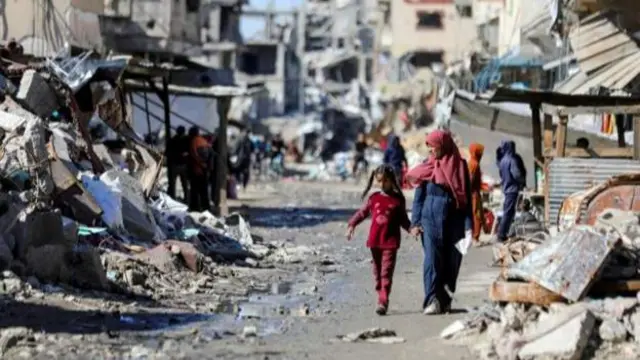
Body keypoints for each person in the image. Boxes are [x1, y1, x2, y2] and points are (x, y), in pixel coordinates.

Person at [406, 130, 472, 315]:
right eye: (428, 146)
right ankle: (432, 300)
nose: (430, 150)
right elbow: (419, 198)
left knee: (452, 263)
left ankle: (445, 300)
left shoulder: (460, 166)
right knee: (432, 262)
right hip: (430, 220)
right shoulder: (427, 167)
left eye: (433, 146)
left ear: (443, 146)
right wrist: (415, 223)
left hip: (455, 222)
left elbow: (466, 200)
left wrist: (469, 227)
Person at [346, 164, 410, 316]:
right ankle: (380, 292)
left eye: (384, 181)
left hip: (390, 242)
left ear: (391, 180)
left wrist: (411, 229)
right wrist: (352, 224)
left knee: (386, 272)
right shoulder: (373, 198)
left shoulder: (397, 200)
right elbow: (362, 213)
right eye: (379, 181)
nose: (382, 184)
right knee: (377, 273)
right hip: (374, 241)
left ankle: (383, 300)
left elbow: (403, 220)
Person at [496, 140, 527, 242]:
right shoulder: (512, 160)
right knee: (508, 213)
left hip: (506, 188)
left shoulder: (502, 160)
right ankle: (501, 234)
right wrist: (522, 181)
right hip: (512, 189)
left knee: (508, 211)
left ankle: (505, 232)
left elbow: (501, 174)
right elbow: (516, 174)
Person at [188, 127, 212, 211]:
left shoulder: (193, 141)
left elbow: (194, 154)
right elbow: (210, 154)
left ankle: (195, 207)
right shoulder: (204, 141)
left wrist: (201, 163)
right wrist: (206, 166)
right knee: (204, 190)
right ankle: (206, 207)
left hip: (197, 169)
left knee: (194, 190)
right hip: (205, 169)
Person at [467, 143, 485, 244]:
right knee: (476, 215)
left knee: (476, 214)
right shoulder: (474, 164)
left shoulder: (472, 162)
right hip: (474, 194)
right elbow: (470, 179)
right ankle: (475, 237)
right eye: (480, 152)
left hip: (474, 193)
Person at [167, 126, 190, 201]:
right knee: (184, 184)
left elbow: (167, 152)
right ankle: (186, 199)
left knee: (172, 184)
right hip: (184, 165)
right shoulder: (187, 140)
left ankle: (172, 198)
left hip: (174, 165)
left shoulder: (172, 140)